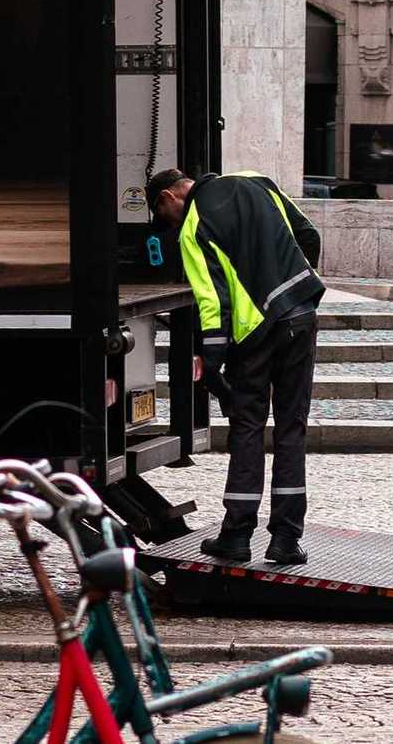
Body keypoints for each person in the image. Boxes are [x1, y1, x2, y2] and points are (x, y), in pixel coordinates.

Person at [146, 168, 323, 565]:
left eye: (165, 218)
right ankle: (286, 541)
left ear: (169, 199)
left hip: (254, 336)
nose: (170, 225)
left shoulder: (192, 228)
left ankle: (237, 536)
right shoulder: (256, 180)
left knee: (248, 429)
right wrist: (299, 296)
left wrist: (212, 366)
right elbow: (308, 236)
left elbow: (213, 303)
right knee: (292, 428)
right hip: (300, 318)